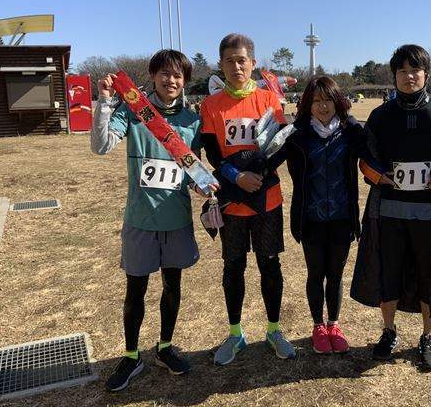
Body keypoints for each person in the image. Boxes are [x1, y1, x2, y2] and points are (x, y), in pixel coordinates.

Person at [351, 44, 431, 370]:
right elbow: (364, 158)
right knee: (388, 274)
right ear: (394, 75)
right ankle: (388, 331)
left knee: (430, 278)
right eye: (402, 71)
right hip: (388, 212)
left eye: (415, 70)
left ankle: (427, 337)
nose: (409, 77)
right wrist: (379, 176)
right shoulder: (380, 116)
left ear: (426, 74)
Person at [91, 50, 216, 392]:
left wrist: (203, 185)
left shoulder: (191, 120)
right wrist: (105, 102)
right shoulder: (134, 112)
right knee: (136, 290)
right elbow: (101, 146)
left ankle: (165, 347)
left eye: (178, 75)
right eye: (164, 73)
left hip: (176, 220)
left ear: (185, 81)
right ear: (153, 75)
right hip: (140, 219)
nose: (171, 80)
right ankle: (131, 356)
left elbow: (190, 168)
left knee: (173, 286)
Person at [199, 33, 296, 365]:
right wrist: (236, 177)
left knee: (269, 264)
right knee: (233, 266)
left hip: (266, 198)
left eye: (242, 60)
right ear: (221, 65)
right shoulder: (210, 105)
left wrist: (259, 174)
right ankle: (235, 333)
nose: (236, 66)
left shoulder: (269, 100)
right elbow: (213, 153)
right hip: (233, 200)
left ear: (253, 63)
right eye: (229, 61)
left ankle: (274, 330)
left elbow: (280, 146)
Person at [269, 76, 363, 354]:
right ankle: (318, 326)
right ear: (307, 104)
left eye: (328, 99)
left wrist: (354, 122)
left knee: (335, 275)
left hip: (342, 218)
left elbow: (375, 151)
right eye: (317, 100)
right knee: (315, 273)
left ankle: (334, 324)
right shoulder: (297, 135)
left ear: (338, 101)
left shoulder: (350, 132)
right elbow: (269, 160)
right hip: (310, 219)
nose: (323, 106)